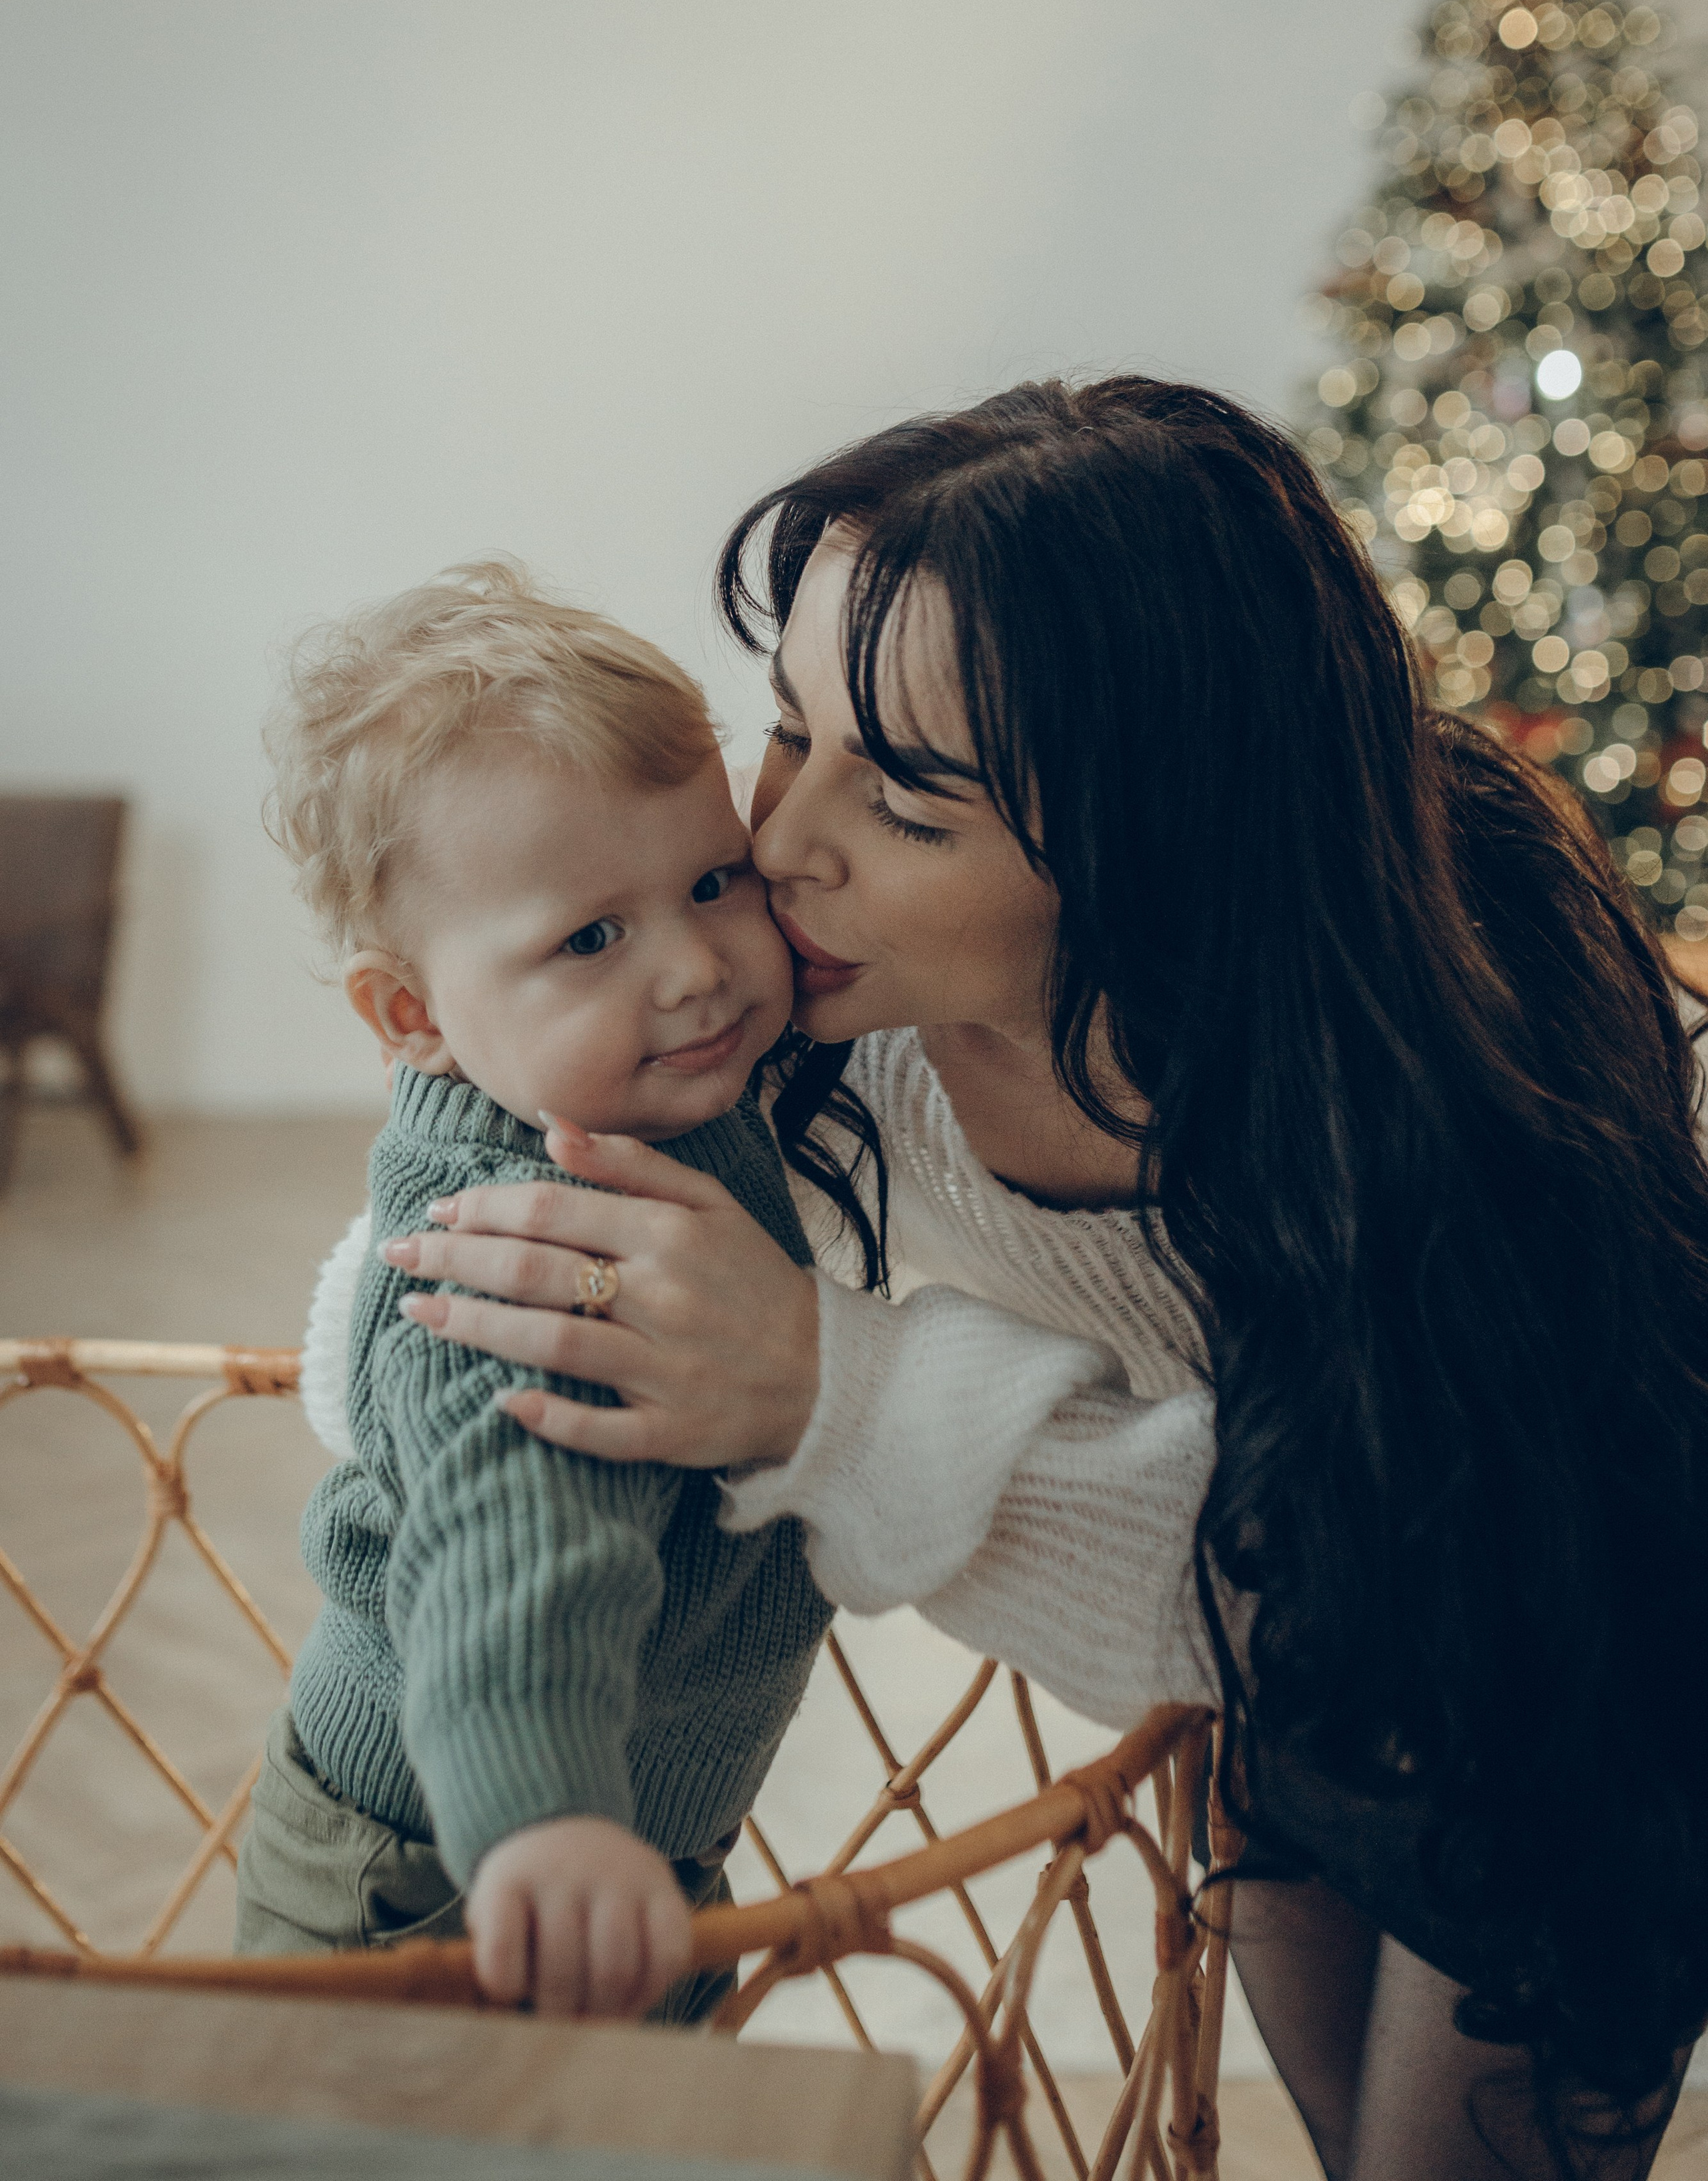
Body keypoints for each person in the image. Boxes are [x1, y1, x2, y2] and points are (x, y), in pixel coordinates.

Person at [320, 381, 1708, 2179]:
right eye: (792, 729)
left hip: (1567, 1692)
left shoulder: (1431, 1075)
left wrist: (842, 1394)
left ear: (1152, 852)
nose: (784, 842)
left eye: (905, 799)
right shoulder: (803, 1024)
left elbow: (1375, 1580)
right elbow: (408, 1331)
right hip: (1284, 1727)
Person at [243, 562, 833, 2019]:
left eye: (714, 882)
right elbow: (511, 1543)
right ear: (414, 1016)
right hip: (456, 1868)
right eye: (590, 939)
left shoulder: (645, 1088)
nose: (697, 969)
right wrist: (542, 1814)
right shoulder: (541, 1242)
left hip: (600, 1832)